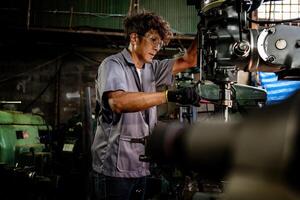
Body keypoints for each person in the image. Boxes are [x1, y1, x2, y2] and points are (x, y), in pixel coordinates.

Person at [91, 11, 199, 200]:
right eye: (153, 40)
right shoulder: (113, 65)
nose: (157, 47)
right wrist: (168, 95)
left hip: (140, 166)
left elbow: (190, 59)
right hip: (114, 170)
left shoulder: (152, 68)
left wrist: (205, 24)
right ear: (134, 38)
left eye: (160, 43)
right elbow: (118, 102)